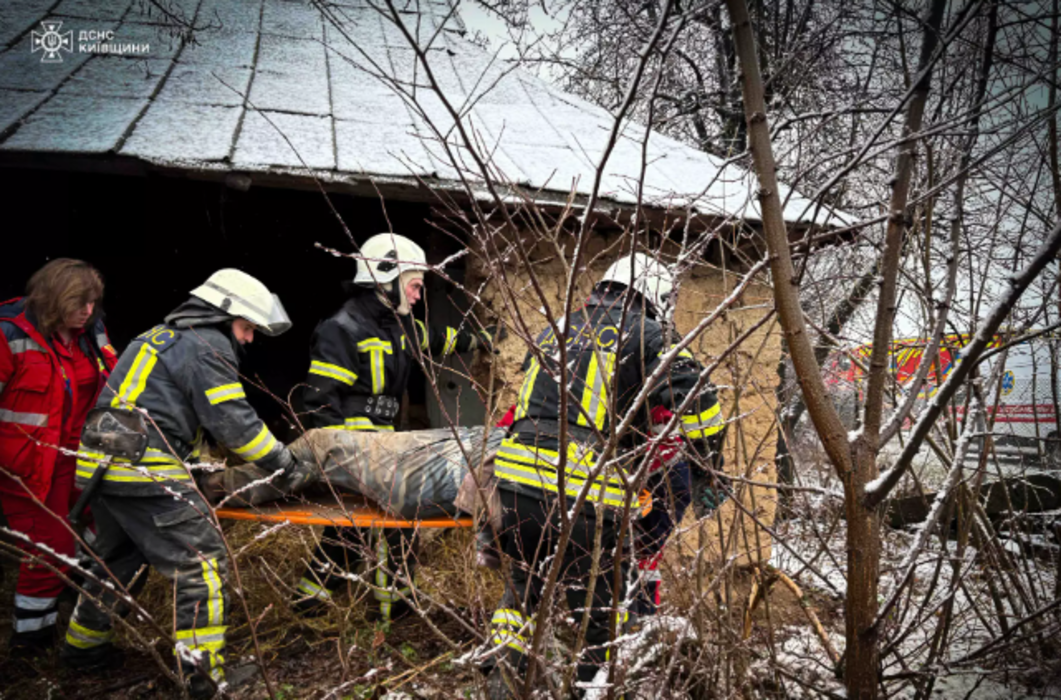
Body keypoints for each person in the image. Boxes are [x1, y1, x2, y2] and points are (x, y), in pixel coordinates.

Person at [482, 253, 726, 698]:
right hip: (583, 504)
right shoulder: (651, 334)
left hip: (513, 493)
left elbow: (522, 411)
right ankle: (590, 690)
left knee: (521, 598)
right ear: (654, 298)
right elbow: (700, 401)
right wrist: (710, 470)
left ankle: (501, 684)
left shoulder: (556, 328)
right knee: (605, 626)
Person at [60, 269, 302, 696]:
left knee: (115, 560)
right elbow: (236, 426)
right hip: (146, 472)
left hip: (103, 468)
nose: (247, 340)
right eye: (246, 328)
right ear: (222, 315)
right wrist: (285, 462)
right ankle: (203, 677)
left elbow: (165, 410)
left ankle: (82, 650)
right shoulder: (205, 347)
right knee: (200, 565)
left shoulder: (157, 336)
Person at [294, 232, 498, 622]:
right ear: (388, 276)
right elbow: (320, 401)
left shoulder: (399, 326)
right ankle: (392, 609)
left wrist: (482, 339)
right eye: (416, 285)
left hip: (387, 439)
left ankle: (307, 601)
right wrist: (337, 460)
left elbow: (438, 339)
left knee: (353, 529)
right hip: (355, 444)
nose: (420, 296)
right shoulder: (342, 328)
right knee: (394, 523)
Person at [0, 259, 118, 657]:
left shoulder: (91, 333)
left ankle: (70, 598)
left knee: (106, 529)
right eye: (79, 303)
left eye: (93, 302)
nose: (88, 311)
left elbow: (113, 382)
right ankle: (30, 642)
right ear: (54, 299)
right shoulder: (9, 334)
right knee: (49, 548)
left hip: (82, 458)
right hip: (27, 466)